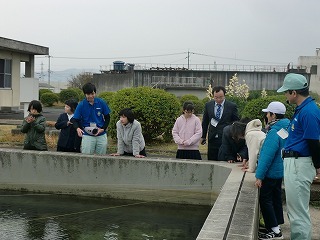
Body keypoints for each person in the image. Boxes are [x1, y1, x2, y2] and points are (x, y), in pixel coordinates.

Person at [277, 73, 320, 240]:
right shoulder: (305, 109)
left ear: (294, 93)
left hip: (298, 163)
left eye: (286, 92)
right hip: (295, 162)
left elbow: (313, 141)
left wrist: (318, 165)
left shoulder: (308, 111)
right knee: (296, 212)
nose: (285, 95)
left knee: (298, 214)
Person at [255, 101, 290, 239]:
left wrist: (259, 176)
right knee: (276, 198)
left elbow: (266, 156)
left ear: (273, 115)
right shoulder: (286, 128)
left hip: (270, 172)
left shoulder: (274, 131)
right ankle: (276, 225)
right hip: (280, 171)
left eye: (267, 113)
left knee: (265, 199)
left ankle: (275, 231)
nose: (266, 116)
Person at [201, 86, 239, 160]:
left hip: (225, 137)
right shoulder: (208, 105)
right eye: (216, 97)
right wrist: (203, 136)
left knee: (223, 158)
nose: (218, 99)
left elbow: (236, 122)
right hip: (212, 137)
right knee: (212, 160)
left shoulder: (231, 106)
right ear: (213, 96)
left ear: (224, 95)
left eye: (221, 97)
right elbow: (205, 122)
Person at [72, 83, 111, 155]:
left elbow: (107, 117)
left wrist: (103, 129)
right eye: (88, 94)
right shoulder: (81, 105)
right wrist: (77, 128)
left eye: (92, 93)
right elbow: (74, 120)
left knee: (101, 159)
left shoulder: (101, 102)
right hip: (87, 135)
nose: (90, 96)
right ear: (85, 94)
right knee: (86, 158)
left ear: (95, 93)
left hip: (101, 134)